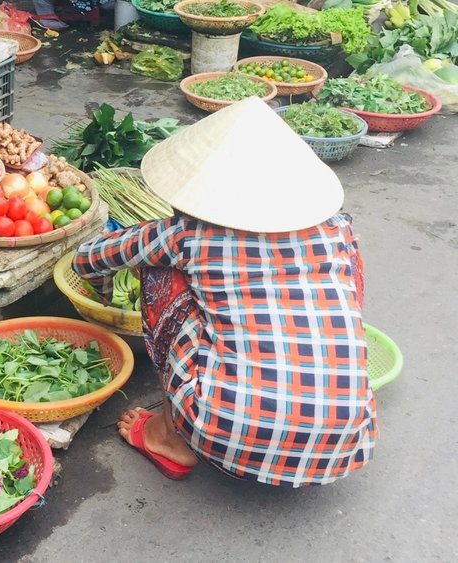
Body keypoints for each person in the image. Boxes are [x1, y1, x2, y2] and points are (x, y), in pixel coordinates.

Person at [73, 97, 377, 487]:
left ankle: (169, 438)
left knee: (158, 273)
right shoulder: (338, 231)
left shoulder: (189, 235)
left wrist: (101, 289)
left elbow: (90, 258)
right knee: (346, 274)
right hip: (345, 438)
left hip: (228, 430)